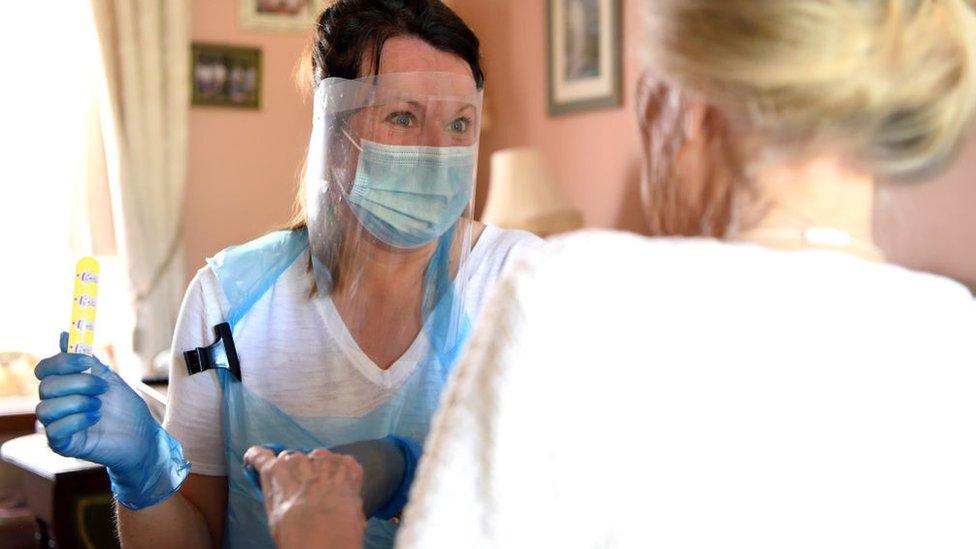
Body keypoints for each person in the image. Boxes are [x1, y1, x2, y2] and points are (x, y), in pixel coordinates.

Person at [249, 0, 976, 547]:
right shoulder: (953, 333)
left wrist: (319, 529)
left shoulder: (572, 297)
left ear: (688, 106)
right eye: (402, 118)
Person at [32, 1, 541, 548]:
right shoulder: (229, 302)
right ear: (335, 133)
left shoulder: (523, 283)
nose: (439, 152)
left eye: (459, 122)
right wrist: (142, 474)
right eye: (403, 116)